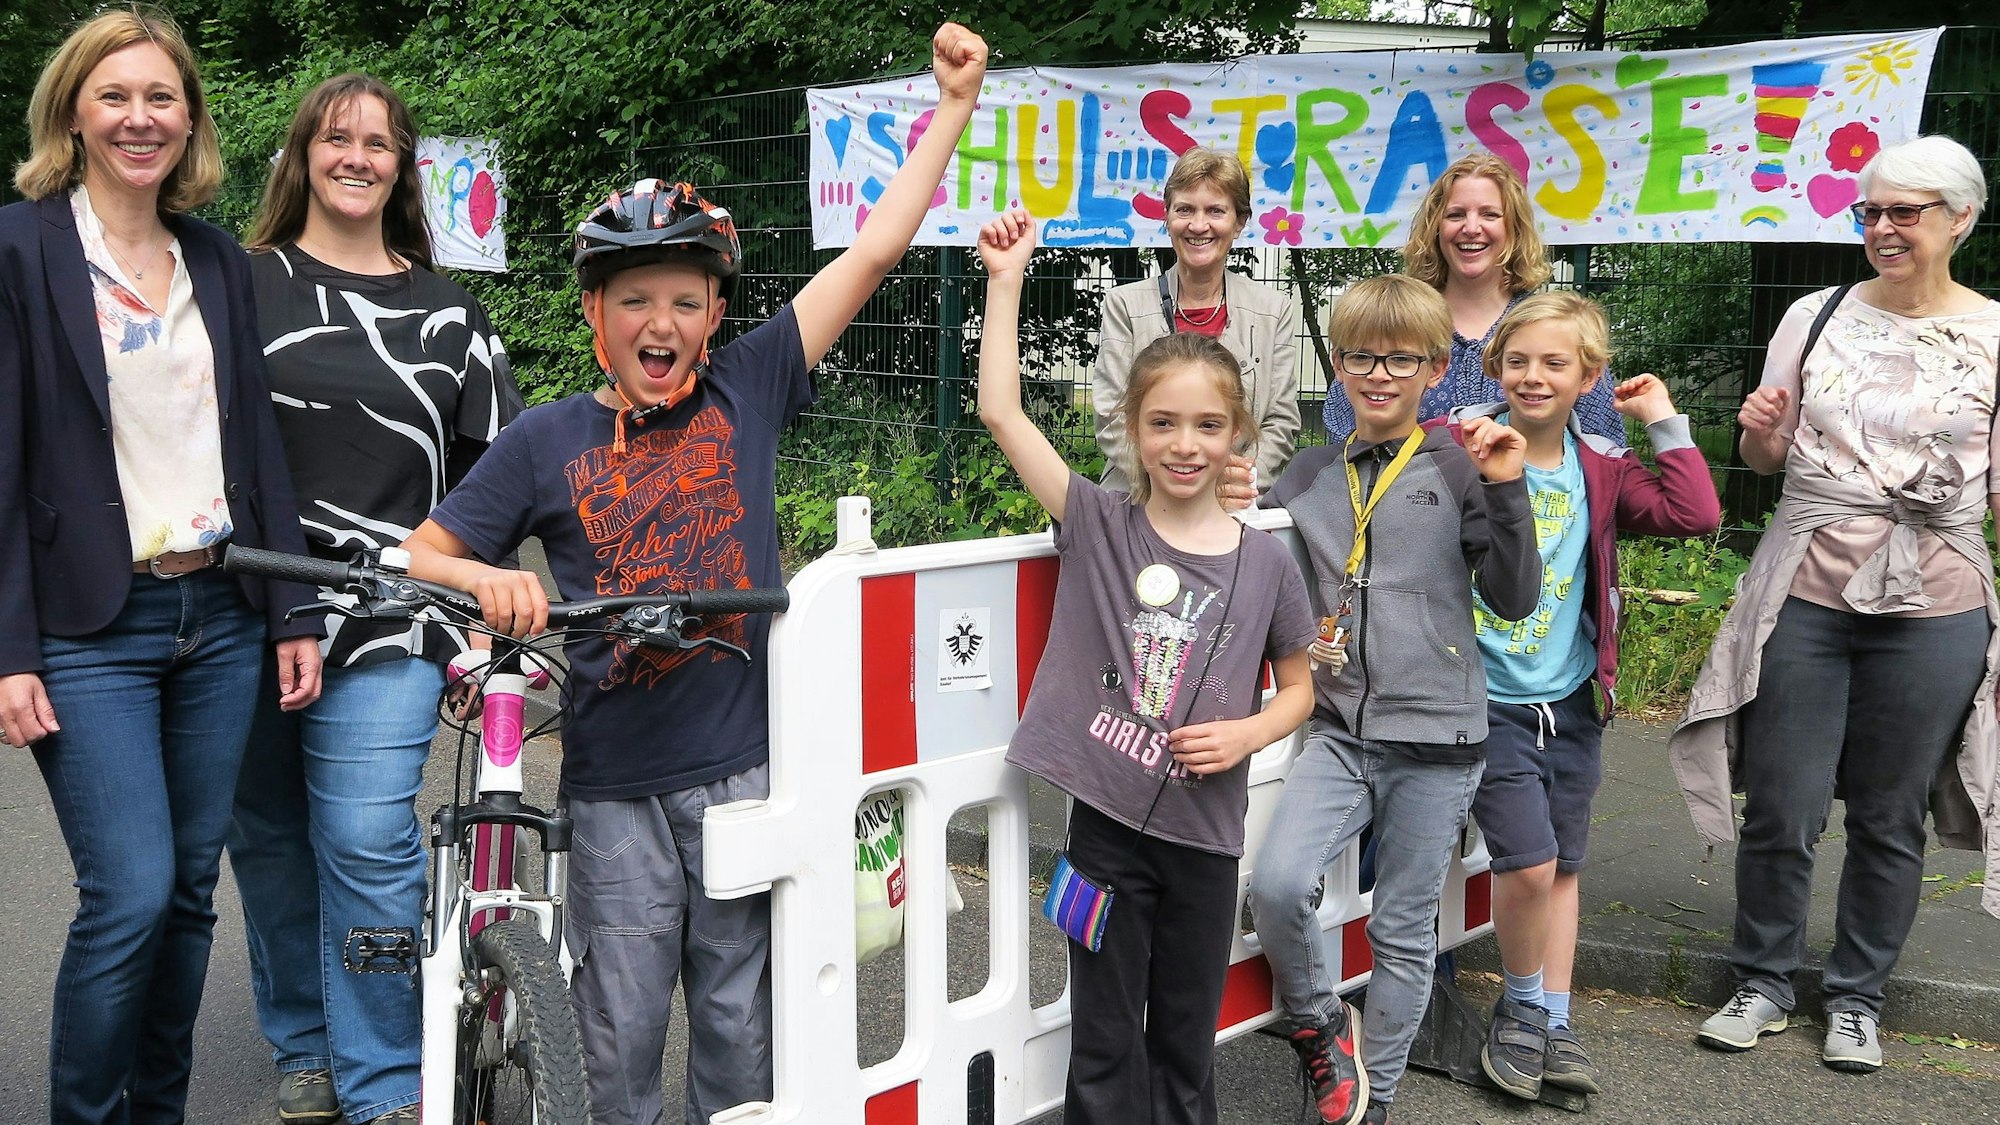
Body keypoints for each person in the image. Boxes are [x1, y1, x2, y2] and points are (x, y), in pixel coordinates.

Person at [396, 24, 989, 1124]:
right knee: (615, 1032)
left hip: (749, 764)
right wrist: (491, 584)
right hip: (614, 777)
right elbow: (429, 549)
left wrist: (949, 109)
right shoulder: (545, 438)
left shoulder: (750, 383)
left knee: (739, 1016)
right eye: (631, 300)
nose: (657, 321)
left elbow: (868, 255)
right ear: (592, 319)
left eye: (681, 300)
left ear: (716, 318)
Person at [0, 10, 324, 1122]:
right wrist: (8, 651)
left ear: (190, 119)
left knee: (190, 898)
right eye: (115, 96)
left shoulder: (218, 259)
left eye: (162, 98)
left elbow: (256, 445)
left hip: (222, 616)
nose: (141, 118)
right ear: (74, 113)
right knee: (128, 895)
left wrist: (290, 615)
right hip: (91, 627)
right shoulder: (20, 247)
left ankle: (159, 1113)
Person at [223, 74, 524, 1125]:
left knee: (361, 836)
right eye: (338, 137)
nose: (358, 156)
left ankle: (386, 1076)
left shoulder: (450, 310)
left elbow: (498, 476)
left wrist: (495, 611)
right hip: (247, 610)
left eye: (381, 143)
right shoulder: (237, 285)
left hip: (395, 614)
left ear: (403, 167)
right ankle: (303, 1043)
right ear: (302, 151)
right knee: (265, 840)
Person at [1672, 134, 2000, 1074]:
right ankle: (1766, 979)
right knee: (1782, 799)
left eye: (1905, 211)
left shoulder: (1995, 332)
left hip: (1937, 600)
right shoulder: (1816, 315)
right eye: (1870, 212)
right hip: (1807, 587)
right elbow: (1765, 463)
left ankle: (1857, 998)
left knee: (1892, 813)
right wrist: (1760, 437)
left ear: (1960, 218)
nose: (1883, 229)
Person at [979, 208, 1314, 1125]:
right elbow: (1001, 412)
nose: (1184, 443)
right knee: (1103, 1041)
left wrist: (1247, 730)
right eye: (1162, 422)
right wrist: (1006, 280)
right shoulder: (1098, 525)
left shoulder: (1267, 560)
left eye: (1207, 424)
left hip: (1205, 846)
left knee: (1180, 1043)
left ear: (1236, 433)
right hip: (1104, 835)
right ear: (1132, 427)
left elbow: (1300, 689)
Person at [1246, 273, 1540, 1125]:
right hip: (1338, 732)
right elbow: (1244, 554)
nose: (1379, 374)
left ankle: (1373, 1101)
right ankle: (1320, 1035)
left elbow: (1515, 598)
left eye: (1400, 358)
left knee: (1402, 930)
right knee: (1278, 881)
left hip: (1438, 739)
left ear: (1436, 368)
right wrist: (1228, 498)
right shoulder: (1307, 474)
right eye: (1360, 356)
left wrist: (1510, 488)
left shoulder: (1461, 466)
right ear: (1336, 365)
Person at [1436, 293, 1720, 1101]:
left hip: (1572, 700)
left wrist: (1663, 418)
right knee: (1526, 864)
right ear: (1494, 366)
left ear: (1588, 376)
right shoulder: (1456, 445)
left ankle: (1553, 1017)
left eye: (1555, 363)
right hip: (1486, 697)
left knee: (1562, 867)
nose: (1533, 376)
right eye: (1518, 360)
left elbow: (1696, 512)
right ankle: (1522, 1007)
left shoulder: (1599, 466)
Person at [1321, 154, 1622, 445]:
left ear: (1514, 228)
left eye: (1490, 214)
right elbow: (1344, 430)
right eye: (1456, 214)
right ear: (1435, 227)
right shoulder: (1401, 319)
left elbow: (1602, 443)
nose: (1471, 228)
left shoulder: (1554, 328)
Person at [1093, 147, 1300, 495]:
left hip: (1233, 503)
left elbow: (1281, 423)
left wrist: (1233, 484)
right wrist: (1172, 482)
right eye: (1185, 209)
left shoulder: (1274, 310)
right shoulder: (1124, 306)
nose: (1198, 225)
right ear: (1167, 217)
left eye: (1215, 211)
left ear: (1239, 222)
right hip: (1139, 500)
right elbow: (1111, 417)